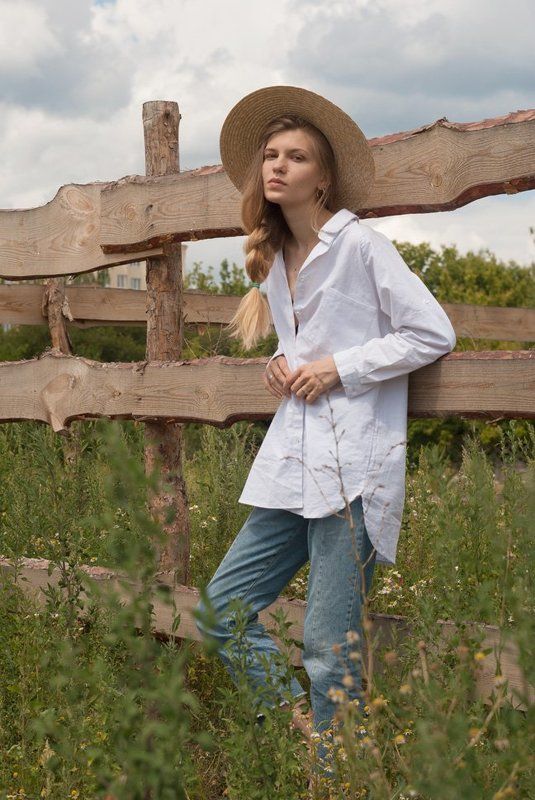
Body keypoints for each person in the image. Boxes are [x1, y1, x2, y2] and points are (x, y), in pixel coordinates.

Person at [194, 85, 457, 779]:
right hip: (290, 463)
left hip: (354, 467)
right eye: (270, 156)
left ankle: (337, 782)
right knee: (222, 609)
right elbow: (301, 344)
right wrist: (285, 365)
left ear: (324, 176)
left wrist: (340, 368)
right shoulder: (273, 261)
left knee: (326, 643)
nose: (277, 167)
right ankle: (308, 740)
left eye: (297, 157)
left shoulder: (362, 247)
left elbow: (430, 332)